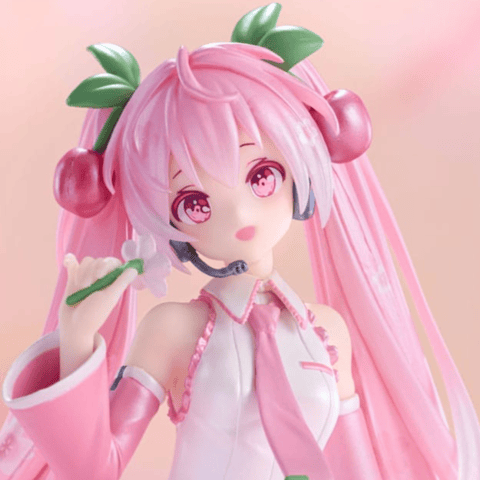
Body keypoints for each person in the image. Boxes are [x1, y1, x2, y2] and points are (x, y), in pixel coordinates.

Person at [1, 4, 479, 480]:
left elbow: (354, 471)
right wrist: (77, 342)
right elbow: (95, 468)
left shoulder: (327, 335)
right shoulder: (173, 329)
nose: (241, 214)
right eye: (196, 203)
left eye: (261, 176)